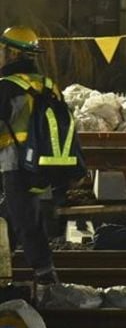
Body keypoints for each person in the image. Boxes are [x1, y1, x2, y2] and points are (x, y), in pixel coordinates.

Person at [0, 25, 59, 285]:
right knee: (10, 214)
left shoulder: (8, 86)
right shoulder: (47, 84)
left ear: (12, 54)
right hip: (44, 163)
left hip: (16, 163)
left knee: (25, 217)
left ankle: (47, 279)